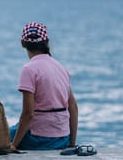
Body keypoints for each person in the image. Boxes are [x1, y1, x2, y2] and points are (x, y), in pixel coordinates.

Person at [10, 22, 78, 151]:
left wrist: (14, 145)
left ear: (22, 44)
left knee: (1, 135)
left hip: (40, 139)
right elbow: (73, 107)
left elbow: (28, 114)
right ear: (47, 42)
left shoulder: (29, 69)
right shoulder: (60, 67)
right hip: (63, 138)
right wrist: (72, 143)